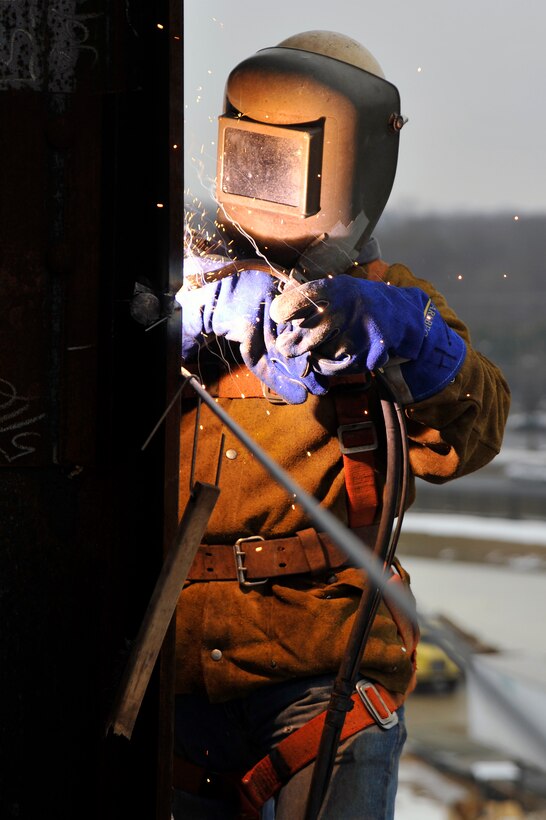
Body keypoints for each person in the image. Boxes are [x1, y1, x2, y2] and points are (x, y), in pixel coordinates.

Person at [173, 31, 510, 819]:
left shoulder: (389, 299)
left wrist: (418, 347)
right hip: (169, 670)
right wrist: (191, 316)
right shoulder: (183, 279)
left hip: (320, 673)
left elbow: (478, 430)